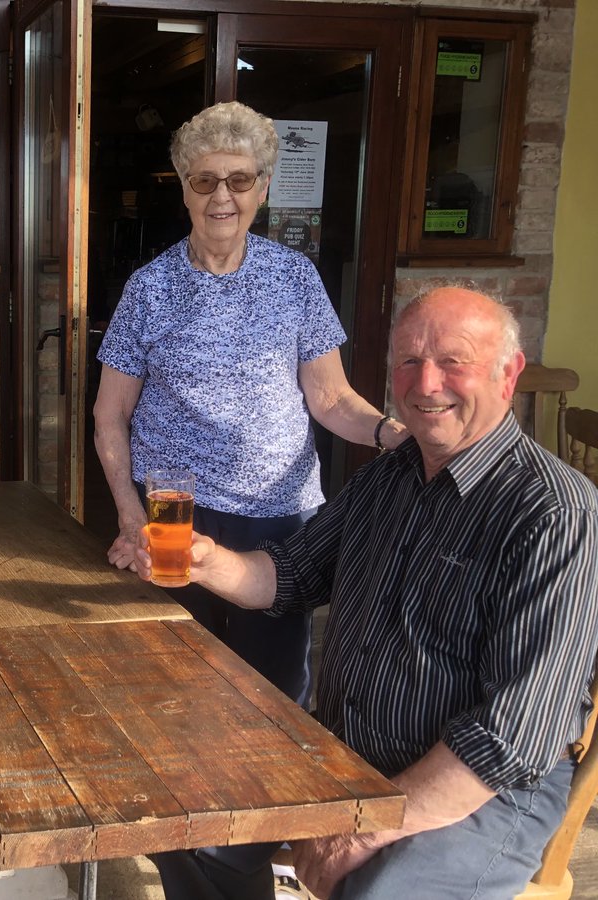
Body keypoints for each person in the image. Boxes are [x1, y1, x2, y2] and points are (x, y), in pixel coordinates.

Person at [135, 287, 598, 899]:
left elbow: (513, 734)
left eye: (452, 361)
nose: (426, 383)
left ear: (508, 374)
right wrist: (204, 560)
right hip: (349, 753)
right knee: (188, 823)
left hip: (482, 792)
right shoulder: (387, 477)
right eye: (408, 361)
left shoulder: (552, 511)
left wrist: (356, 831)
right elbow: (293, 574)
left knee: (376, 892)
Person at [94, 101, 407, 711]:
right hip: (177, 514)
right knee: (172, 685)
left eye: (239, 181)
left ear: (261, 190)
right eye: (204, 180)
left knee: (273, 694)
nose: (221, 197)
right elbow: (111, 414)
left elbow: (332, 398)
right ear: (184, 190)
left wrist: (393, 434)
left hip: (280, 522)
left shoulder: (295, 278)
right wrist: (132, 519)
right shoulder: (149, 289)